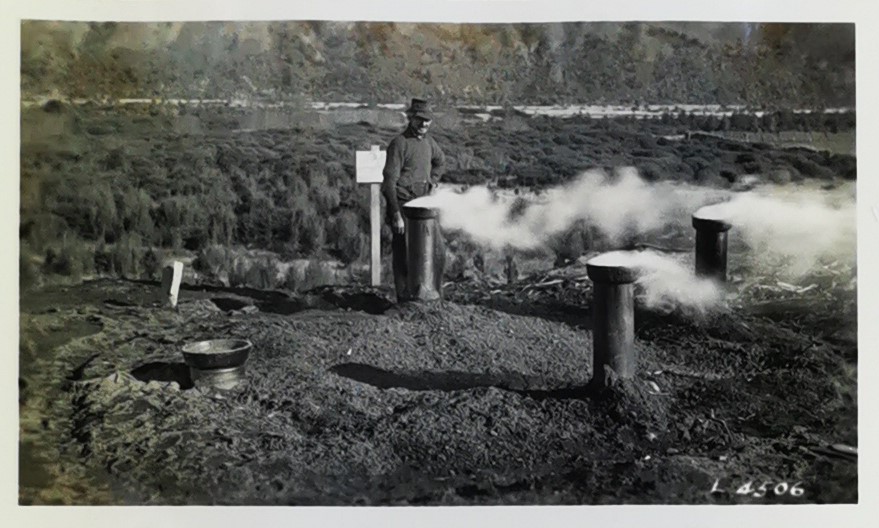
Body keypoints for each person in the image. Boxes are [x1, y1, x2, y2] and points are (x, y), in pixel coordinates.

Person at [381, 98, 446, 302]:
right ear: (411, 118)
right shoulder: (399, 144)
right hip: (403, 206)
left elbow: (440, 162)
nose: (424, 124)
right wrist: (395, 215)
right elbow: (388, 183)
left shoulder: (429, 143)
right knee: (403, 253)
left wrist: (433, 182)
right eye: (420, 120)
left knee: (436, 251)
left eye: (428, 120)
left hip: (423, 206)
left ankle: (431, 294)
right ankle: (405, 298)